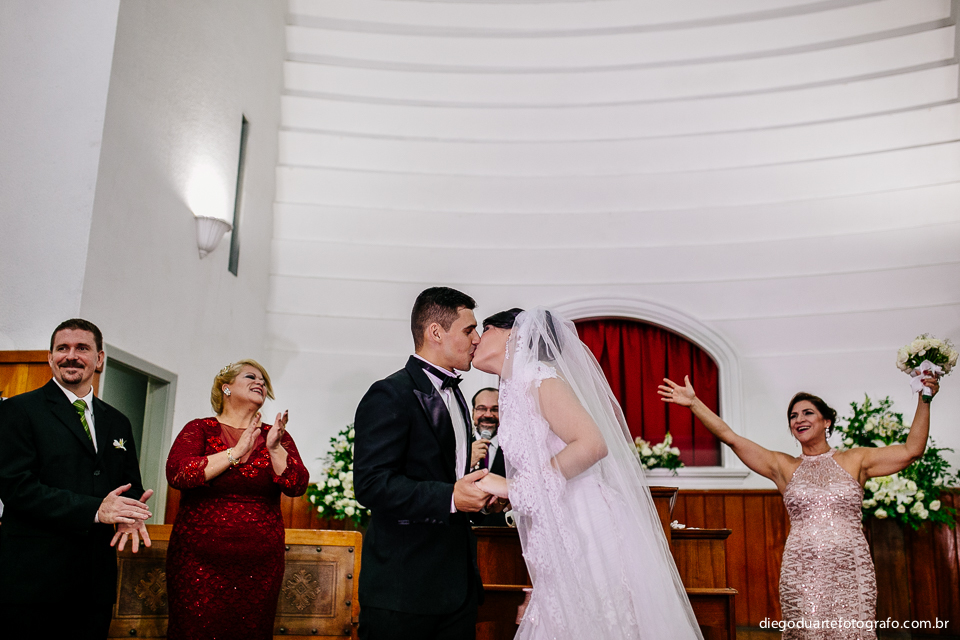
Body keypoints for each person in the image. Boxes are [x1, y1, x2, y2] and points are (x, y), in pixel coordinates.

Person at [473, 308, 703, 640]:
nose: (478, 338)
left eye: (486, 328)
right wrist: (512, 496)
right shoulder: (513, 386)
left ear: (514, 334)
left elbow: (592, 444)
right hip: (557, 520)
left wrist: (515, 487)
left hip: (585, 521)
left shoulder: (539, 377)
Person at [659, 375, 940, 639]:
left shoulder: (856, 460)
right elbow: (731, 438)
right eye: (793, 416)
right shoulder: (784, 467)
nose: (798, 419)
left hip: (850, 569)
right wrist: (694, 403)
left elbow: (911, 450)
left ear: (827, 421)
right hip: (802, 571)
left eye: (807, 413)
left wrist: (924, 398)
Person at [354, 287, 495, 640]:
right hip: (404, 590)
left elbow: (451, 475)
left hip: (456, 589)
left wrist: (479, 497)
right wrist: (451, 497)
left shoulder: (458, 395)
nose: (477, 339)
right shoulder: (390, 393)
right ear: (435, 332)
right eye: (468, 330)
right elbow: (371, 484)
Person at [0, 319, 153, 640]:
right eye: (62, 348)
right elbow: (16, 488)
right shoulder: (18, 411)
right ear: (50, 357)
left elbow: (129, 484)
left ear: (99, 359)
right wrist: (98, 510)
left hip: (94, 580)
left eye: (82, 348)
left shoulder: (118, 421)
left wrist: (130, 514)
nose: (71, 356)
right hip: (33, 579)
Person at [165, 359, 309, 640]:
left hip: (259, 564)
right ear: (226, 388)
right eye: (251, 377)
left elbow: (297, 485)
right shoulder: (200, 429)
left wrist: (276, 449)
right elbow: (179, 474)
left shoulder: (275, 436)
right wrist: (236, 451)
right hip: (198, 563)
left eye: (264, 381)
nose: (260, 383)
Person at [470, 387, 507, 526]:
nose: (488, 414)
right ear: (473, 412)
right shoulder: (457, 446)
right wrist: (467, 462)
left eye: (495, 409)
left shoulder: (515, 451)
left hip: (501, 532)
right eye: (481, 408)